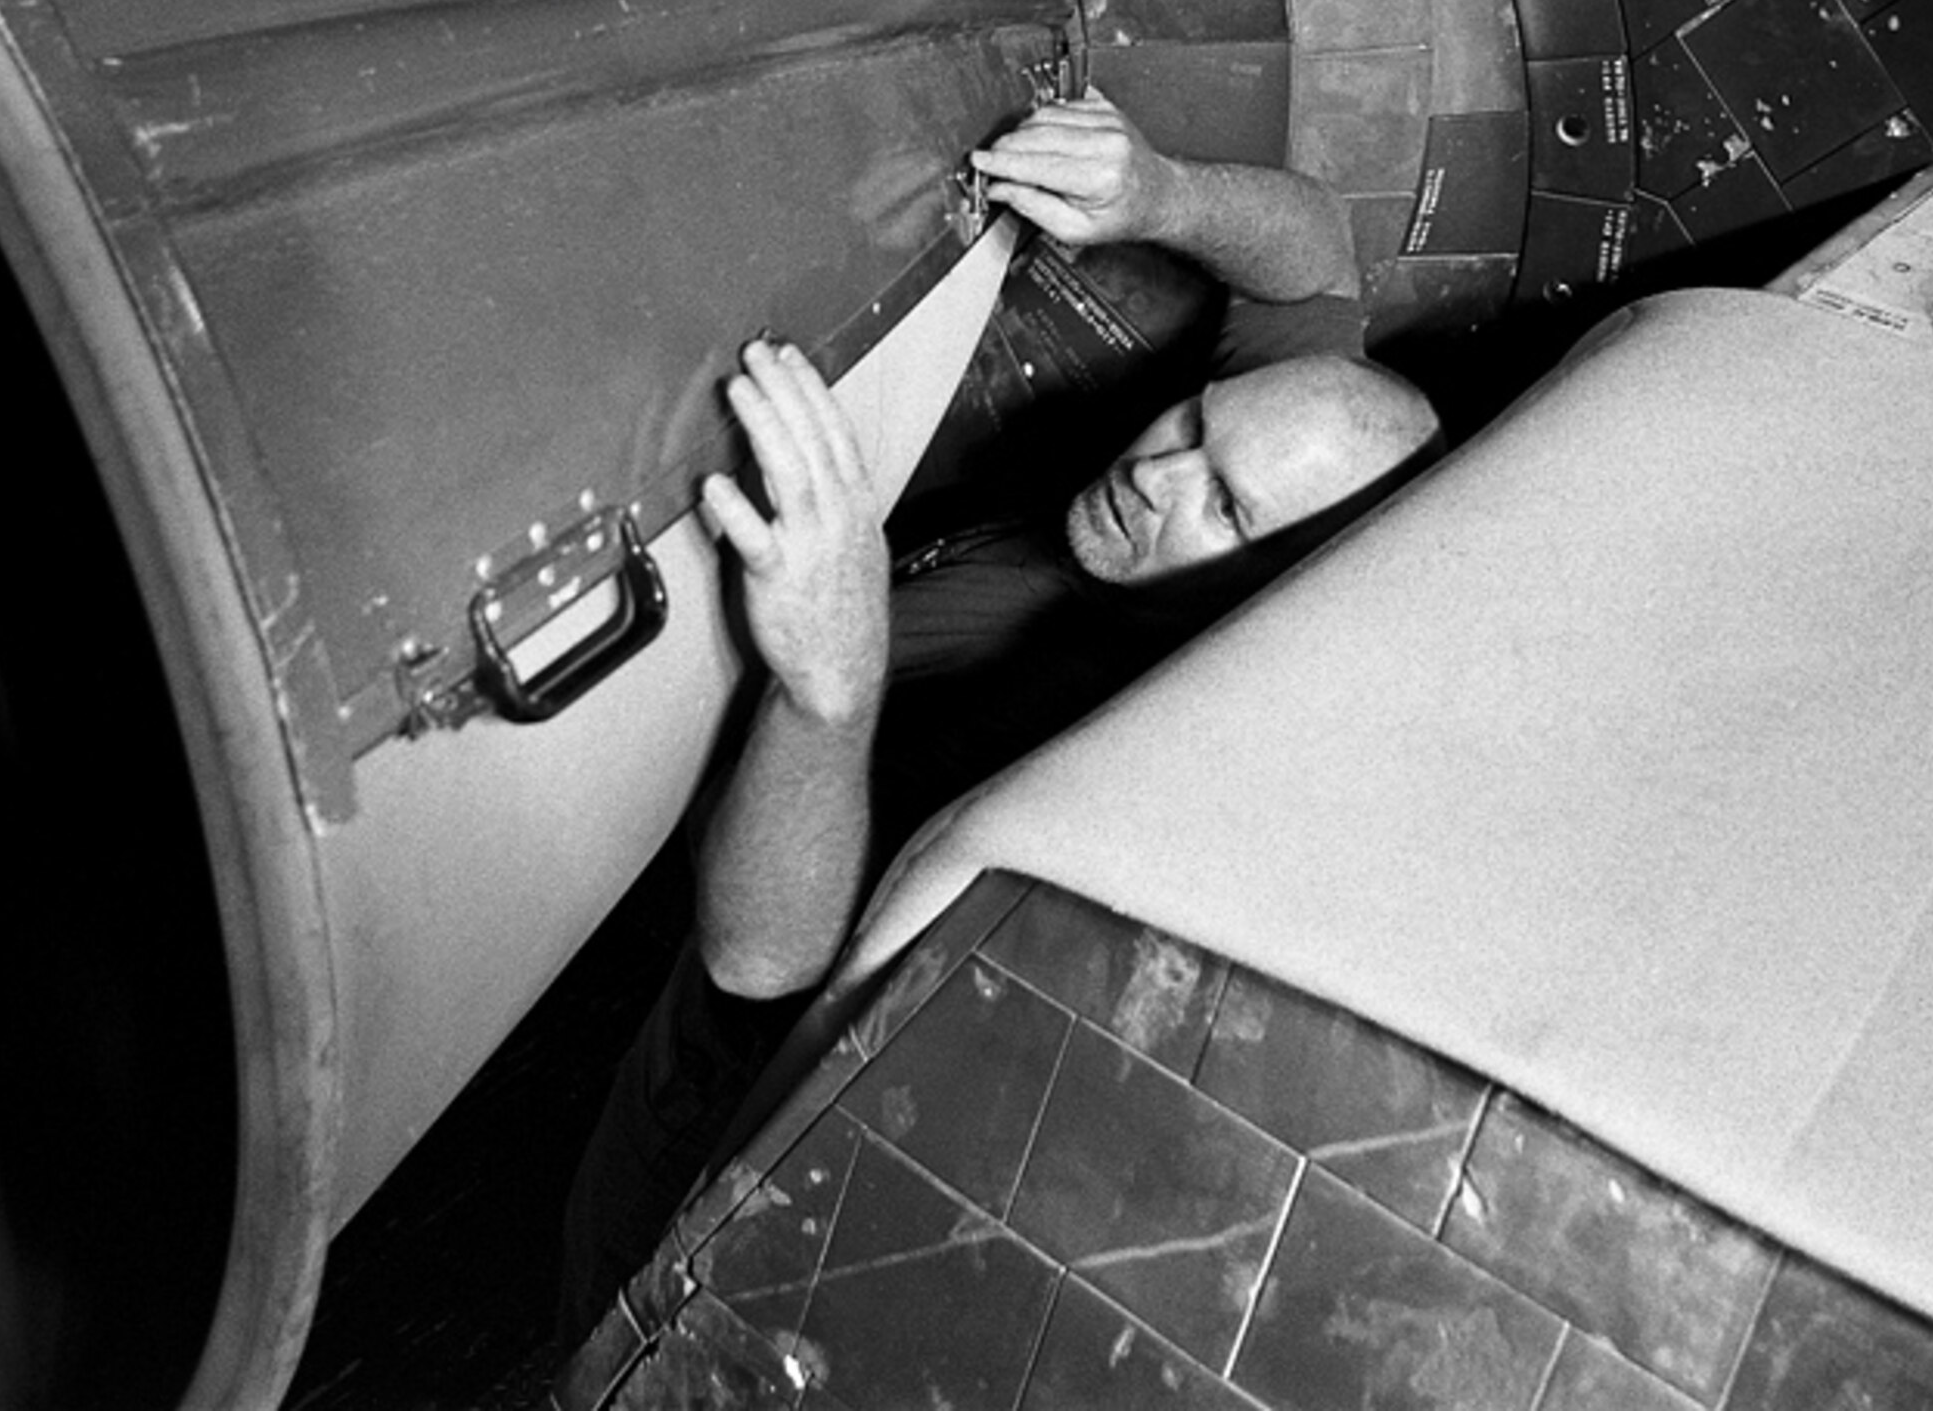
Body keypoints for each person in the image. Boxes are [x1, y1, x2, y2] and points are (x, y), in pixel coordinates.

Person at [554, 91, 1440, 1344]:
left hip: (717, 1095)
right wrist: (1160, 191)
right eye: (1191, 423)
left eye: (1225, 508)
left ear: (1280, 592)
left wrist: (828, 687)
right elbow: (1313, 258)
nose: (1156, 474)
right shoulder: (1291, 460)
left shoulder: (1107, 746)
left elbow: (763, 963)